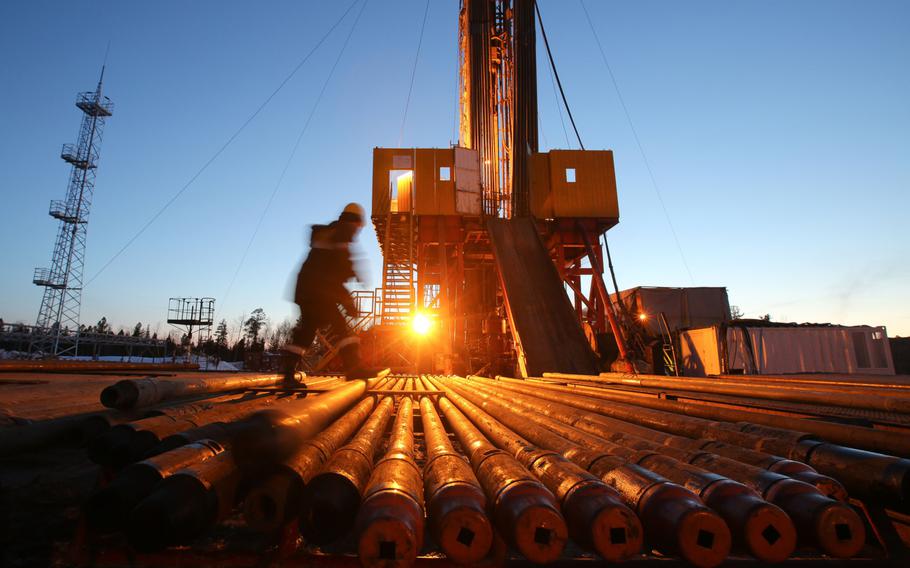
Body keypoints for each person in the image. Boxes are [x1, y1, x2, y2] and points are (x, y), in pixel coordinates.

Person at [282, 202, 379, 384]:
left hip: (308, 290)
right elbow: (333, 274)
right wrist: (347, 300)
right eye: (358, 226)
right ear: (354, 222)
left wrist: (352, 276)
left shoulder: (334, 233)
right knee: (342, 328)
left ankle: (287, 373)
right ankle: (354, 368)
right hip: (318, 292)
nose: (358, 231)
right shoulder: (342, 234)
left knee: (307, 332)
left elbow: (334, 268)